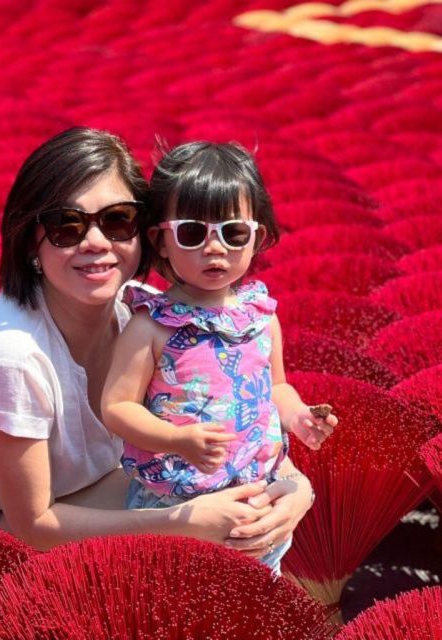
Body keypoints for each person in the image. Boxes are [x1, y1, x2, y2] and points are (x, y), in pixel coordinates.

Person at [0, 127, 316, 560]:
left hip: (66, 499)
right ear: (29, 244)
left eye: (118, 220)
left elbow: (248, 415)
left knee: (224, 504)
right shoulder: (13, 360)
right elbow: (32, 524)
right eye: (67, 226)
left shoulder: (153, 319)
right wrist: (183, 521)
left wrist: (296, 491)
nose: (96, 242)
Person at [102, 141, 338, 574]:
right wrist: (177, 440)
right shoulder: (152, 324)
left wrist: (299, 418)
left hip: (254, 497)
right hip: (175, 503)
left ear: (257, 238)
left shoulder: (261, 318)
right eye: (193, 233)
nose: (216, 248)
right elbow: (117, 407)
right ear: (161, 241)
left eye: (234, 233)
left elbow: (277, 388)